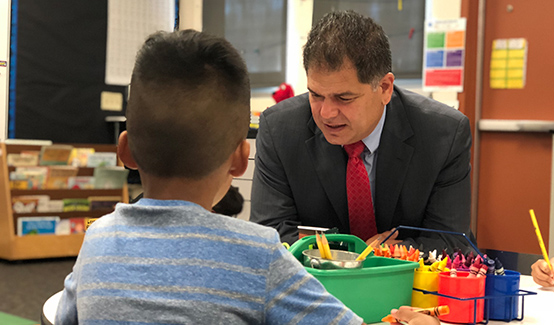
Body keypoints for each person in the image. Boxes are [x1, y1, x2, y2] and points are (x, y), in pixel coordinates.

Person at [54, 30, 365, 324]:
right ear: (241, 159)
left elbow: (65, 317)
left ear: (125, 151)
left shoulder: (97, 239)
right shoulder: (258, 254)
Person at [250, 10, 474, 253]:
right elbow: (268, 234)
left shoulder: (443, 135)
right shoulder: (280, 130)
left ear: (385, 88)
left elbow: (452, 242)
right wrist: (354, 252)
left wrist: (388, 256)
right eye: (316, 95)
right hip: (316, 283)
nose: (326, 113)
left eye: (344, 98)